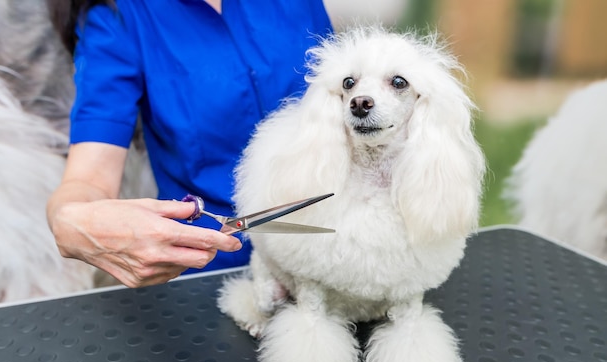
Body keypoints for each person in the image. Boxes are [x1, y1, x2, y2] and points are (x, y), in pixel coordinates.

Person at [46, 0, 403, 289]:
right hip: (209, 272)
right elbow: (89, 179)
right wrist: (70, 223)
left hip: (339, 251)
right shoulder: (116, 19)